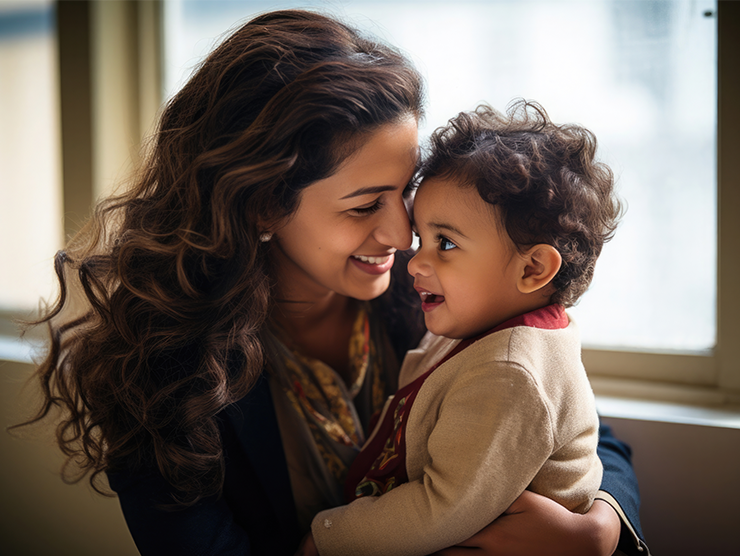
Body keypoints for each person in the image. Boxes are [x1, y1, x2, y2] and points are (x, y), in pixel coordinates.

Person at [15, 9, 648, 556]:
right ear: (262, 205)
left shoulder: (431, 287)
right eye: (365, 205)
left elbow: (575, 418)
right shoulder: (161, 371)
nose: (403, 236)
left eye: (406, 193)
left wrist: (601, 530)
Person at [301, 101, 614, 556]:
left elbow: (439, 505)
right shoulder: (479, 318)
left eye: (444, 243)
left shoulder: (511, 371)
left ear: (533, 269)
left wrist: (324, 539)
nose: (413, 257)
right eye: (423, 236)